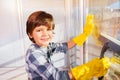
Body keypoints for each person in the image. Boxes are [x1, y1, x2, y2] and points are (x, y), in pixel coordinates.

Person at [25, 11, 110, 80]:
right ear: (30, 34)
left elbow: (65, 46)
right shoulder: (34, 53)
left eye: (48, 29)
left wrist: (85, 34)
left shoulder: (46, 46)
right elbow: (56, 77)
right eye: (39, 30)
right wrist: (86, 69)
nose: (45, 34)